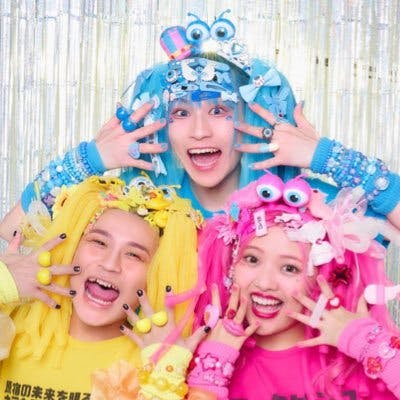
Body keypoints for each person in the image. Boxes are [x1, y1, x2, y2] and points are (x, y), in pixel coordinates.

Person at [1, 9, 399, 243]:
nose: (199, 131)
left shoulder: (305, 203)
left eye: (220, 111)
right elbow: (12, 232)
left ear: (250, 117)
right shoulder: (133, 205)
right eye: (180, 113)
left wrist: (329, 158)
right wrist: (89, 160)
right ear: (162, 125)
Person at [188, 171, 400, 399]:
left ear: (321, 276)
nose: (265, 283)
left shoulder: (356, 364)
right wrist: (210, 373)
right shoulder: (196, 353)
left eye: (290, 268)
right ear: (231, 264)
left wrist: (369, 343)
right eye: (252, 259)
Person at [0, 174, 205, 399]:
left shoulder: (157, 363)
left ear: (154, 276)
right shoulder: (10, 326)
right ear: (71, 250)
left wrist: (164, 380)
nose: (110, 264)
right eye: (99, 242)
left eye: (134, 255)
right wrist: (3, 283)